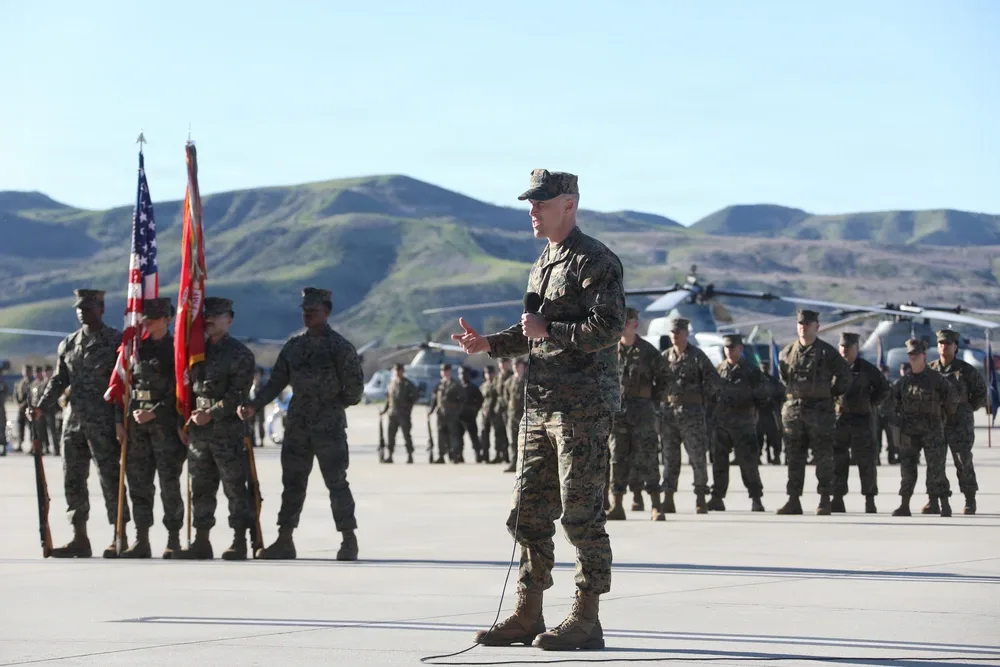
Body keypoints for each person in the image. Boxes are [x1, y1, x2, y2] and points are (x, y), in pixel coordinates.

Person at [452, 168, 625, 651]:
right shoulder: (545, 260)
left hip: (582, 409)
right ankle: (529, 611)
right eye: (530, 203)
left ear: (568, 204)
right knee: (527, 513)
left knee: (581, 514)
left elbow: (607, 329)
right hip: (541, 405)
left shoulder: (597, 261)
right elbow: (532, 327)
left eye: (541, 204)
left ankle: (587, 617)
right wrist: (490, 343)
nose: (532, 211)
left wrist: (550, 333)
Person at [238, 288, 365, 560]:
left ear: (327, 312)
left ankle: (348, 539)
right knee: (292, 483)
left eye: (313, 311)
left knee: (336, 483)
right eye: (305, 311)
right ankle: (285, 539)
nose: (307, 315)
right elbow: (276, 383)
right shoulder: (294, 346)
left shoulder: (339, 347)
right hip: (297, 426)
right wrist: (254, 404)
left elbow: (354, 389)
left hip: (328, 427)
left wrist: (331, 405)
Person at [34, 289, 129, 558]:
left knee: (110, 478)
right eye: (79, 308)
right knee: (73, 479)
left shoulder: (115, 342)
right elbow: (58, 380)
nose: (82, 312)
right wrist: (42, 406)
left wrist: (118, 421)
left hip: (104, 421)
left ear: (101, 309)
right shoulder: (68, 344)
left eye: (88, 308)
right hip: (73, 421)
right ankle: (79, 537)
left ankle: (118, 534)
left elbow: (123, 386)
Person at [179, 297, 256, 560]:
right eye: (207, 315)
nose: (209, 320)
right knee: (200, 486)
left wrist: (210, 414)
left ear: (230, 319)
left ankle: (239, 540)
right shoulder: (197, 351)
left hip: (226, 431)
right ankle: (201, 540)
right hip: (199, 433)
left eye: (217, 315)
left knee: (234, 487)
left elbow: (238, 394)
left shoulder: (240, 354)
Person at [116, 298, 187, 558]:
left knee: (169, 484)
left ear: (167, 319)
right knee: (139, 484)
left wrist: (154, 412)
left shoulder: (176, 350)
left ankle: (174, 538)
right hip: (137, 429)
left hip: (165, 428)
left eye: (154, 318)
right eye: (145, 318)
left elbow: (179, 389)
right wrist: (119, 420)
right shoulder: (136, 349)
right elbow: (124, 386)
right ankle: (141, 539)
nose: (147, 322)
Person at [776, 309, 851, 515]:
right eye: (800, 324)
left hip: (820, 413)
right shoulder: (787, 352)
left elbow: (845, 377)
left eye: (808, 324)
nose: (803, 327)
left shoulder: (827, 353)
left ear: (816, 326)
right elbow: (784, 378)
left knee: (823, 457)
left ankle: (825, 498)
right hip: (794, 414)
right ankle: (793, 499)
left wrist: (829, 394)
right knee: (794, 457)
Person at [608, 307, 668, 521]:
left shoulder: (648, 351)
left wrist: (653, 401)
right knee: (617, 458)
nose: (623, 326)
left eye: (627, 322)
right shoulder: (609, 351)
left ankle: (656, 505)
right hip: (618, 413)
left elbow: (665, 377)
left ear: (635, 324)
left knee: (648, 457)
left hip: (643, 411)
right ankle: (617, 504)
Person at [890, 339, 959, 517]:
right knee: (907, 469)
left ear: (924, 356)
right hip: (909, 433)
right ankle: (904, 505)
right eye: (910, 354)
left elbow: (952, 399)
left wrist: (944, 416)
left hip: (932, 430)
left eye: (916, 354)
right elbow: (892, 402)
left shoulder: (936, 379)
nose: (912, 357)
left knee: (936, 468)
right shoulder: (904, 382)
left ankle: (944, 504)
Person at [661, 317, 721, 514]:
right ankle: (668, 496)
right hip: (670, 414)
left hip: (692, 414)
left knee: (697, 457)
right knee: (670, 457)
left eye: (679, 332)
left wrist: (701, 397)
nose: (675, 335)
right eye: (672, 332)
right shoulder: (664, 357)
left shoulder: (697, 356)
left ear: (686, 334)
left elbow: (713, 380)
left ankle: (701, 497)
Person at [928, 329, 987, 515]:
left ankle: (970, 499)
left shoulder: (966, 370)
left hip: (960, 424)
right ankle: (934, 500)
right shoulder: (930, 370)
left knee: (963, 461)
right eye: (940, 343)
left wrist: (965, 410)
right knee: (935, 462)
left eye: (947, 344)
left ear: (955, 347)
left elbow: (980, 395)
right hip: (937, 423)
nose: (944, 347)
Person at [707, 334, 767, 512]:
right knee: (719, 463)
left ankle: (756, 498)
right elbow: (711, 397)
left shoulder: (752, 371)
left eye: (733, 347)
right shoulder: (718, 370)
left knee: (748, 464)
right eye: (727, 348)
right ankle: (717, 497)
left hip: (743, 425)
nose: (729, 351)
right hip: (721, 425)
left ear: (741, 348)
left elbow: (763, 398)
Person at [832, 332, 889, 514]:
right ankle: (838, 498)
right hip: (840, 421)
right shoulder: (833, 369)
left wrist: (870, 403)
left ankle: (870, 499)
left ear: (856, 349)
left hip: (862, 420)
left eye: (848, 348)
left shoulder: (867, 369)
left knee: (866, 461)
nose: (845, 351)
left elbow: (884, 389)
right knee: (838, 460)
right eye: (842, 347)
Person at [380, 363, 420, 463]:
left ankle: (410, 455)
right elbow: (389, 399)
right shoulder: (391, 384)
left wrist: (408, 407)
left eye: (399, 370)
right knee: (390, 435)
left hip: (403, 414)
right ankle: (390, 455)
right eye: (396, 371)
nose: (397, 373)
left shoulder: (407, 384)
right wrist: (384, 411)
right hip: (392, 414)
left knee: (406, 435)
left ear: (403, 371)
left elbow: (415, 396)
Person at [428, 364, 465, 463]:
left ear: (450, 371)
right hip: (441, 414)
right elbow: (434, 399)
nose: (444, 373)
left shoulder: (455, 384)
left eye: (446, 371)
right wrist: (430, 410)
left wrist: (458, 411)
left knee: (453, 435)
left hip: (452, 414)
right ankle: (441, 456)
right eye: (443, 371)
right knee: (441, 435)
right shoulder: (439, 385)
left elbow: (462, 400)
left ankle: (455, 455)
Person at [458, 366, 485, 461]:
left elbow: (480, 400)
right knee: (458, 437)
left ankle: (478, 454)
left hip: (469, 416)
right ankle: (459, 455)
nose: (462, 376)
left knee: (474, 437)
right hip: (459, 416)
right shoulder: (457, 387)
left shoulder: (473, 388)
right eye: (460, 374)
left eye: (464, 374)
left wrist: (475, 410)